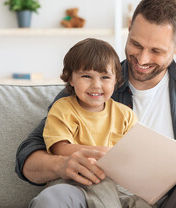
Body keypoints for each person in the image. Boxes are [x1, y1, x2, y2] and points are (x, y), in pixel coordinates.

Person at [16, 0, 176, 208]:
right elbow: (27, 157)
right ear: (129, 29)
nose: (142, 58)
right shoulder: (93, 84)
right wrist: (62, 165)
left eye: (156, 51)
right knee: (54, 197)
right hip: (97, 194)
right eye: (136, 44)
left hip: (171, 199)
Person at [37, 38, 145, 207]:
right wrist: (100, 152)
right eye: (87, 76)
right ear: (71, 79)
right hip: (75, 181)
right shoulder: (63, 109)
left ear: (116, 79)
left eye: (105, 77)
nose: (96, 85)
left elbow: (134, 153)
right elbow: (60, 148)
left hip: (115, 185)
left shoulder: (125, 115)